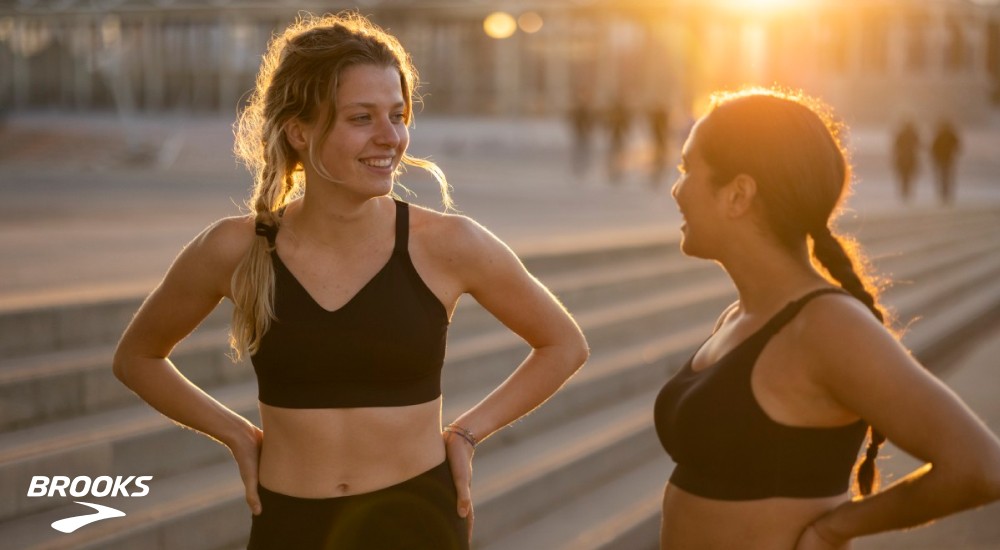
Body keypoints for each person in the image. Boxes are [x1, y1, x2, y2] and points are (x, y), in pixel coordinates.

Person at [112, 12, 588, 550]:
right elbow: (138, 357)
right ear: (300, 130)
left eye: (399, 115)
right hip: (288, 524)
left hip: (416, 520)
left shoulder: (448, 243)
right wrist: (237, 435)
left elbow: (563, 343)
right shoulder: (238, 246)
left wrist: (468, 433)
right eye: (362, 118)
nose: (391, 137)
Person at [654, 88, 1000, 549]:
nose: (676, 190)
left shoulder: (826, 326)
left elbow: (980, 466)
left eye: (686, 170)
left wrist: (836, 528)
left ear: (738, 194)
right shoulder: (742, 315)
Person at [930, 120, 961, 205]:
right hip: (945, 159)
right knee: (946, 176)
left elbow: (933, 147)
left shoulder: (941, 135)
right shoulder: (948, 134)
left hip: (944, 159)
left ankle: (945, 193)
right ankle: (945, 193)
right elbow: (958, 145)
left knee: (944, 177)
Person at [891, 120, 920, 202]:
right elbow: (918, 145)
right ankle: (907, 192)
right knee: (908, 177)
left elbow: (896, 146)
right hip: (910, 159)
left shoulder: (901, 134)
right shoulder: (913, 134)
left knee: (904, 177)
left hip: (903, 159)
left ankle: (905, 192)